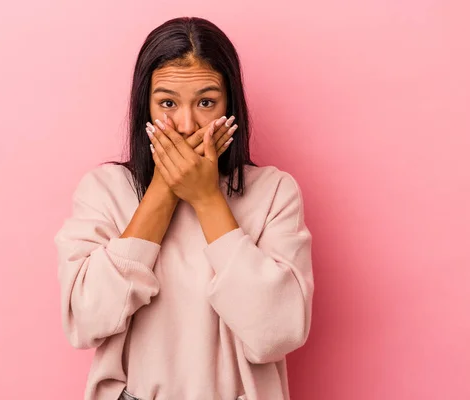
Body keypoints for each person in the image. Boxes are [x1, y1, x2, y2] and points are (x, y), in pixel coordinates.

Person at [54, 16, 314, 400]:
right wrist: (163, 189)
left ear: (232, 106)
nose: (187, 124)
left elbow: (277, 331)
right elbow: (86, 320)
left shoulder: (273, 191)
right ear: (145, 105)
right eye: (168, 103)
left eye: (206, 102)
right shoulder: (105, 190)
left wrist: (207, 198)